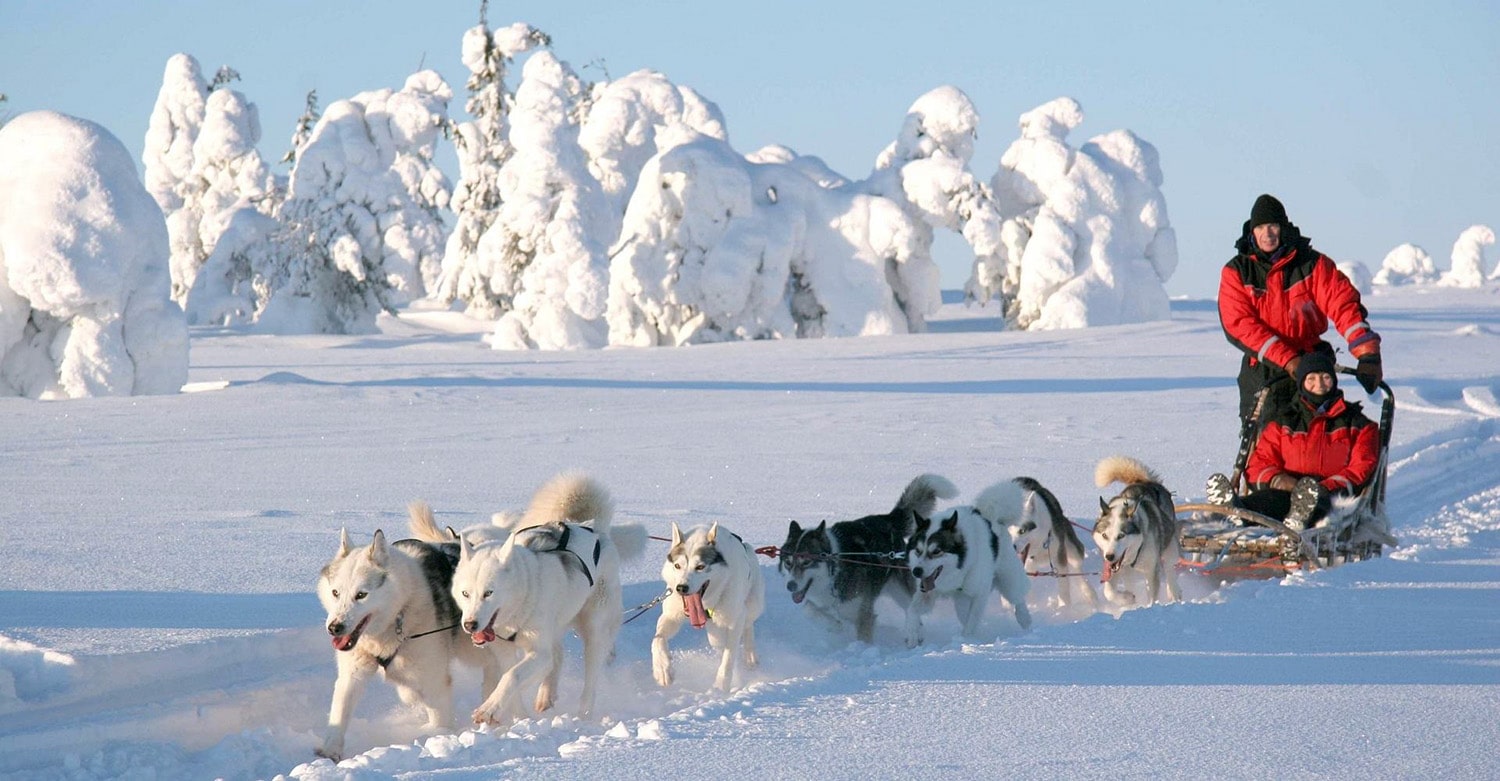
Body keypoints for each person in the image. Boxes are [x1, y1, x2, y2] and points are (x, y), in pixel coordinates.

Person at [1218, 194, 1384, 427]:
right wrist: (1288, 360)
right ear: (1251, 232)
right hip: (1264, 370)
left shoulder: (1312, 264)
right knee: (1266, 440)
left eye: (1273, 226)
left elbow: (1343, 305)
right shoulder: (1237, 272)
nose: (1268, 234)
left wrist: (1368, 355)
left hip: (1312, 361)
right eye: (1261, 227)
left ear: (1283, 227)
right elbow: (1240, 325)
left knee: (1322, 431)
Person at [1229, 351, 1380, 530]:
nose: (1319, 385)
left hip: (1332, 498)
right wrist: (1279, 480)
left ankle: (1298, 520)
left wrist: (1319, 489)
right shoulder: (1284, 421)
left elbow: (1360, 469)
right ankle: (1236, 511)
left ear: (1334, 380)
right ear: (1302, 383)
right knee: (1268, 500)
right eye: (1311, 379)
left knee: (1318, 505)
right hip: (1286, 493)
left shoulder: (1358, 424)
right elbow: (1259, 464)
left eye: (1325, 377)